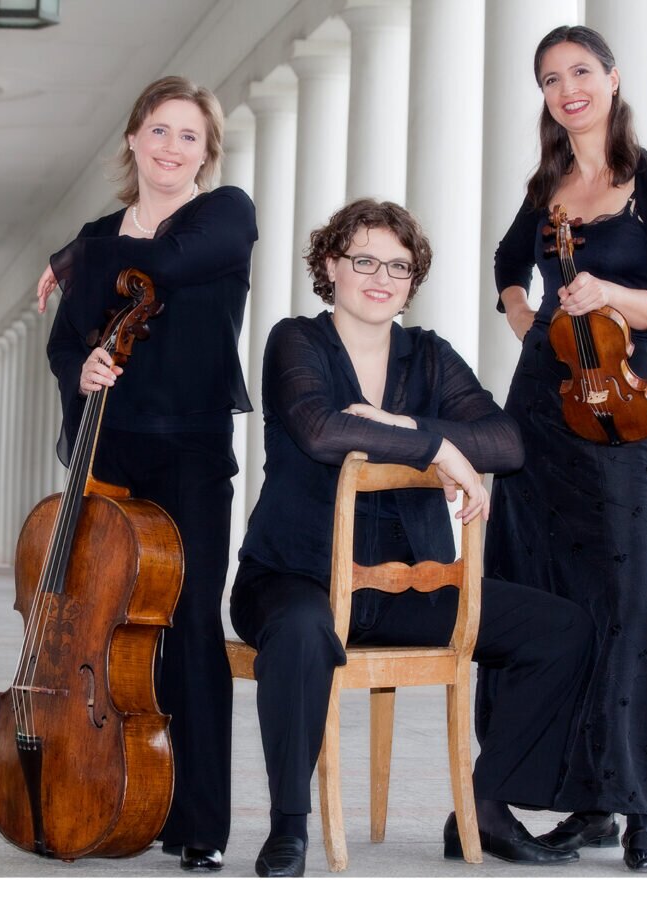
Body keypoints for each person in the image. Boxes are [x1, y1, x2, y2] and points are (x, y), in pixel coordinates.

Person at [230, 198, 595, 877]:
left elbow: (506, 443)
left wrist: (400, 423)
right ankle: (288, 826)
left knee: (562, 629)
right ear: (331, 266)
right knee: (303, 631)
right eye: (364, 260)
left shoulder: (429, 356)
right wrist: (434, 445)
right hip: (294, 578)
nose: (381, 278)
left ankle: (485, 807)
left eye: (398, 266)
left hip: (407, 587)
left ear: (412, 280)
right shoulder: (296, 343)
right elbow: (320, 429)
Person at [484, 25, 647, 871]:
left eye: (580, 71)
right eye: (550, 78)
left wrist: (606, 290)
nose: (567, 88)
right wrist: (522, 313)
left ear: (612, 78)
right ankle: (584, 804)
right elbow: (509, 261)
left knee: (626, 590)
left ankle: (640, 803)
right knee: (547, 591)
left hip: (623, 409)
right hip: (542, 409)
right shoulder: (547, 188)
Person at [39, 75, 257, 870]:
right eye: (158, 130)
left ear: (206, 152)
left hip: (190, 451)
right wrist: (83, 366)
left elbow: (166, 261)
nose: (171, 147)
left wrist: (72, 259)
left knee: (191, 622)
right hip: (109, 448)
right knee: (97, 627)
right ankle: (108, 792)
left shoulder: (225, 215)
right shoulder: (101, 234)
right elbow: (64, 343)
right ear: (132, 138)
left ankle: (198, 821)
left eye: (188, 135)